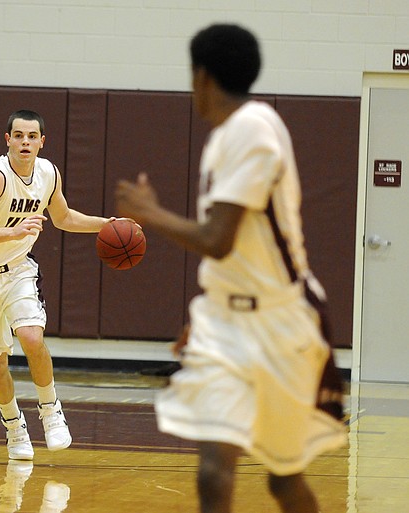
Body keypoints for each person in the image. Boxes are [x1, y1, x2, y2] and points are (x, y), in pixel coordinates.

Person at [114, 24, 347, 513]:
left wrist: (149, 213)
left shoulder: (253, 129)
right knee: (214, 472)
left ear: (201, 76)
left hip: (282, 323)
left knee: (284, 481)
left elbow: (217, 241)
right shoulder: (227, 135)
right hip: (226, 324)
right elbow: (236, 251)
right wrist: (207, 315)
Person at [0, 109, 119, 460]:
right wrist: (11, 232)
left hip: (18, 269)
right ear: (8, 140)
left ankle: (50, 409)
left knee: (31, 336)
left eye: (32, 137)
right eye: (19, 136)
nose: (25, 142)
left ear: (42, 142)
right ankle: (15, 427)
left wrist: (107, 225)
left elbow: (64, 218)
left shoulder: (49, 174)